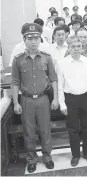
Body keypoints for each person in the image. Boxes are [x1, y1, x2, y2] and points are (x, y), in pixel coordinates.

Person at [11, 23, 58, 173]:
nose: (33, 41)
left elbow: (53, 79)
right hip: (26, 100)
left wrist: (55, 98)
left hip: (43, 99)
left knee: (45, 130)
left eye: (36, 38)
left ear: (40, 39)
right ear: (24, 39)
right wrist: (15, 102)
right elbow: (15, 82)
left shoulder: (47, 58)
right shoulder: (18, 60)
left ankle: (47, 157)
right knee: (29, 131)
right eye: (30, 38)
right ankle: (31, 159)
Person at [57, 35, 87, 167]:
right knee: (73, 129)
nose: (76, 49)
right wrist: (62, 103)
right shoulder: (62, 64)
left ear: (82, 47)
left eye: (78, 46)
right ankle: (75, 155)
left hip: (86, 97)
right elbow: (60, 86)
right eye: (73, 46)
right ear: (68, 48)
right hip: (70, 99)